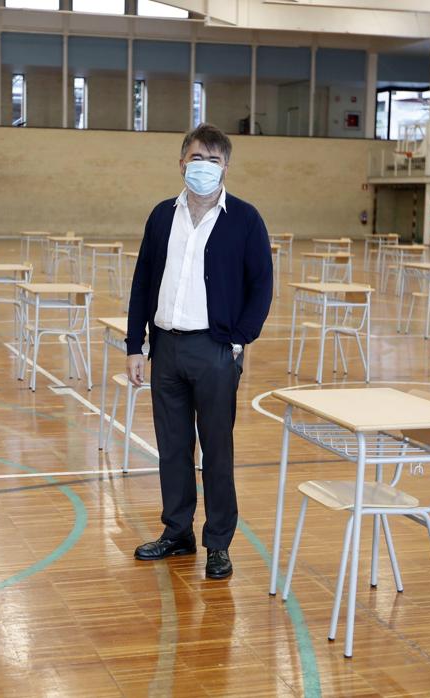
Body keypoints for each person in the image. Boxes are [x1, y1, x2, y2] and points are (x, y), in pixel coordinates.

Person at [125, 123, 274, 580]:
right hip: (166, 347)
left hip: (215, 350)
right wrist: (135, 345)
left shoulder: (245, 219)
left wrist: (238, 339)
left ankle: (218, 543)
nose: (204, 167)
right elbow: (142, 282)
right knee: (172, 448)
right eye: (196, 158)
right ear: (181, 163)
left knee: (216, 450)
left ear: (225, 167)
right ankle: (177, 532)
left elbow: (261, 285)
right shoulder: (161, 216)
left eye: (213, 160)